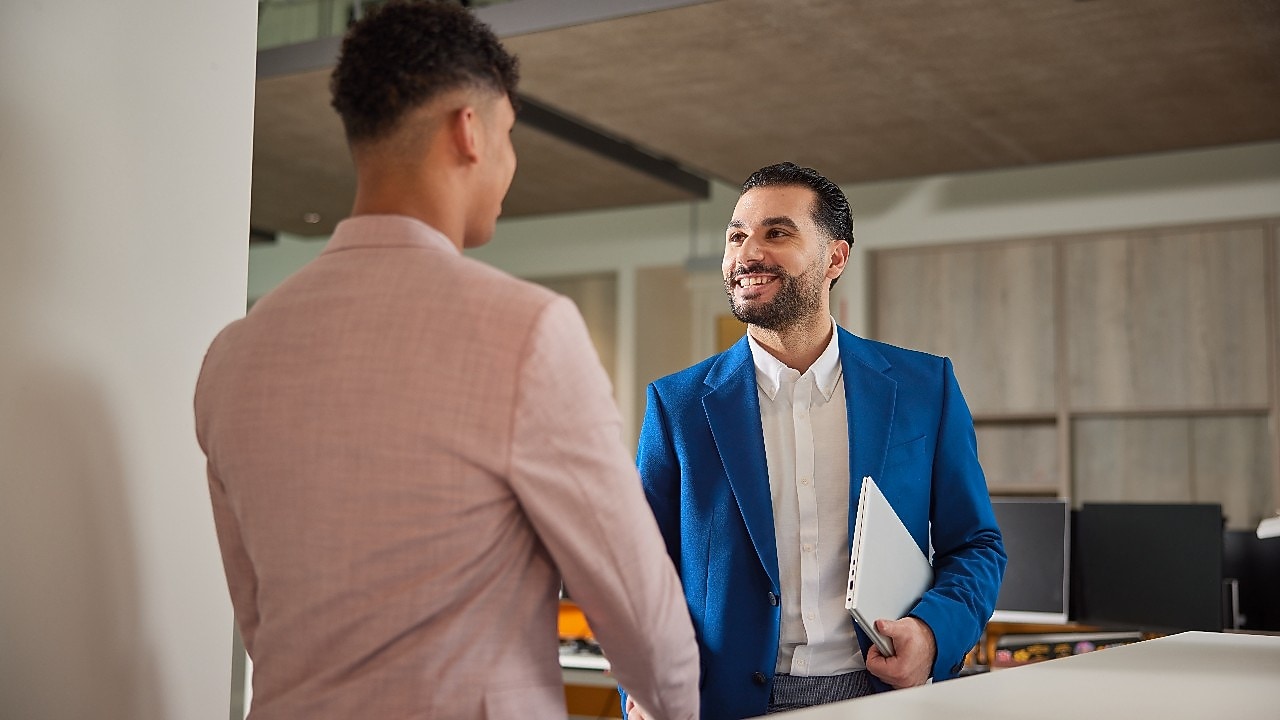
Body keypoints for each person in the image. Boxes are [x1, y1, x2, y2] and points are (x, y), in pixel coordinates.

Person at [194, 2, 699, 718]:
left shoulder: (232, 356)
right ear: (469, 130)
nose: (510, 162)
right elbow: (643, 620)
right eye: (509, 135)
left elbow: (257, 618)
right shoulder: (529, 330)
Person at [629, 162, 1006, 719]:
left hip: (883, 696)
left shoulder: (926, 389)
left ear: (835, 257)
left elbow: (975, 546)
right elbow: (639, 572)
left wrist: (930, 635)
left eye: (776, 233)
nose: (747, 253)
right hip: (720, 704)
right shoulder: (677, 406)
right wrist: (644, 681)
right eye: (737, 235)